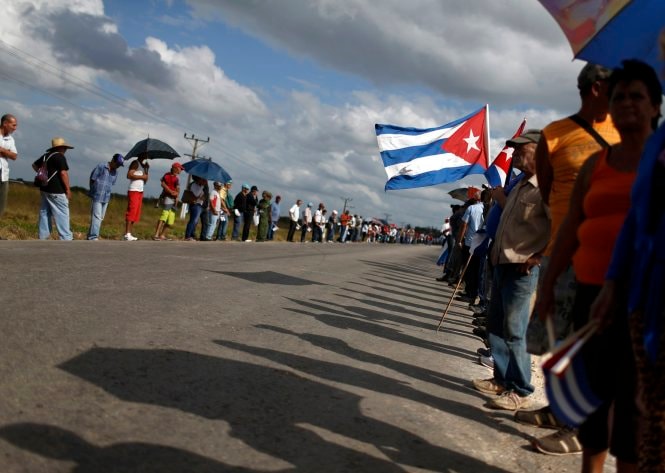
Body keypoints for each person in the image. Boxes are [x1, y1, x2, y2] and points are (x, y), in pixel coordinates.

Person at [537, 60, 661, 473]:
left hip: (643, 301)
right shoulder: (598, 163)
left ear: (655, 107)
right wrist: (549, 283)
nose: (626, 102)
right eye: (619, 95)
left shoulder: (661, 161)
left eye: (637, 96)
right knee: (593, 396)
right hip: (592, 297)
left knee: (634, 407)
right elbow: (572, 225)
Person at [523, 63, 622, 456]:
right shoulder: (554, 135)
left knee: (588, 342)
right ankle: (559, 409)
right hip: (562, 252)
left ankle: (579, 427)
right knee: (556, 339)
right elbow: (548, 191)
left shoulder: (629, 132)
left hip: (604, 256)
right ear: (596, 88)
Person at [472, 129, 550, 411]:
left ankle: (521, 390)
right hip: (502, 263)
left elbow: (559, 226)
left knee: (516, 331)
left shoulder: (548, 186)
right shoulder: (518, 185)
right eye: (514, 149)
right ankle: (502, 380)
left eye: (521, 149)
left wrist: (538, 257)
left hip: (523, 270)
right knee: (496, 326)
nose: (515, 153)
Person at [32, 137, 74, 240]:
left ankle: (43, 236)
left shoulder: (46, 156)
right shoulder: (60, 157)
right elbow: (63, 173)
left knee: (45, 212)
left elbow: (34, 165)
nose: (65, 150)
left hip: (45, 188)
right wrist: (68, 189)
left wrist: (43, 175)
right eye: (65, 148)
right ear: (61, 148)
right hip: (57, 190)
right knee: (62, 213)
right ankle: (66, 237)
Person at [86, 153, 124, 240]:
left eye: (119, 165)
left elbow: (112, 184)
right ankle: (93, 237)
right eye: (117, 164)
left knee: (100, 217)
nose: (118, 166)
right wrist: (92, 191)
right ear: (113, 160)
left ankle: (90, 235)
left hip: (106, 197)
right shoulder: (101, 166)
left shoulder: (115, 172)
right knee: (97, 216)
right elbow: (92, 178)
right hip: (97, 195)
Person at [456, 191, 484, 304]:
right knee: (476, 270)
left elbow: (464, 224)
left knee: (468, 269)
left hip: (470, 242)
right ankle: (470, 291)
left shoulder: (472, 208)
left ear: (476, 199)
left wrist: (459, 240)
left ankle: (470, 293)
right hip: (481, 243)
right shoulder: (486, 209)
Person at [153, 162, 183, 241]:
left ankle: (162, 235)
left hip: (174, 200)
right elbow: (162, 184)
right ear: (175, 168)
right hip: (167, 198)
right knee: (164, 216)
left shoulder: (176, 178)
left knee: (170, 220)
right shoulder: (167, 175)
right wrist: (170, 191)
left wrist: (176, 194)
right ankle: (156, 234)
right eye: (180, 169)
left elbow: (178, 189)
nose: (181, 170)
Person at [123, 155, 149, 241]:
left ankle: (129, 233)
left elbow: (145, 180)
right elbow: (129, 175)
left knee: (135, 213)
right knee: (131, 211)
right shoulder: (135, 163)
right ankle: (127, 233)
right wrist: (142, 176)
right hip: (133, 190)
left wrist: (146, 169)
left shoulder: (143, 166)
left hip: (140, 190)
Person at [0, 114, 18, 219]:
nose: (15, 128)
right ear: (5, 123)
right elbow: (10, 154)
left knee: (1, 204)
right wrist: (8, 152)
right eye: (13, 125)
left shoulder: (10, 139)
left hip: (4, 174)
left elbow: (14, 156)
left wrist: (2, 150)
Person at [184, 176, 207, 241]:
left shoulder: (199, 186)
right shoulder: (194, 185)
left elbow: (202, 196)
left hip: (199, 204)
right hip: (195, 205)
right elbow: (196, 194)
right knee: (193, 220)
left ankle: (191, 235)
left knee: (195, 221)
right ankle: (188, 235)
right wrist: (202, 186)